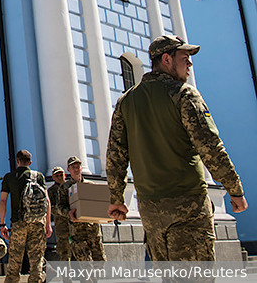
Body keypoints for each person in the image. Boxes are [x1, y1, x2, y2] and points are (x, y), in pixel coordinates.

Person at [106, 35, 248, 263]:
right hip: (187, 206)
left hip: (150, 210)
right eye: (185, 58)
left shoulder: (126, 101)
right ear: (166, 59)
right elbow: (210, 147)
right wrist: (234, 189)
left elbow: (116, 156)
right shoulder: (184, 94)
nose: (190, 64)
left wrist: (116, 198)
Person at [0, 150, 52, 283]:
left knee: (15, 260)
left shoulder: (9, 177)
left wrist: (2, 224)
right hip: (38, 222)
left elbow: (3, 201)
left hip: (18, 222)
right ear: (30, 163)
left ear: (17, 161)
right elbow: (47, 201)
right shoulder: (38, 176)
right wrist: (48, 224)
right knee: (36, 260)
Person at [56, 156, 105, 283]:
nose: (76, 169)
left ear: (81, 168)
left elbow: (98, 204)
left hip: (93, 231)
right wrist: (69, 213)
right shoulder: (64, 188)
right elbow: (59, 207)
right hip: (78, 233)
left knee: (101, 262)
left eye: (78, 167)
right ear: (68, 169)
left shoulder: (90, 185)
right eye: (73, 167)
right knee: (86, 266)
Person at [47, 166, 71, 264]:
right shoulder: (51, 191)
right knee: (64, 252)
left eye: (61, 175)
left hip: (74, 223)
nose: (60, 177)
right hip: (61, 225)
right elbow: (50, 208)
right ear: (53, 177)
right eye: (57, 175)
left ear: (65, 175)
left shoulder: (70, 187)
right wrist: (64, 212)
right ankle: (67, 278)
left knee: (80, 250)